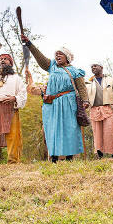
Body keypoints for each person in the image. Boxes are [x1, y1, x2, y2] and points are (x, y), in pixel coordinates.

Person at [21, 34, 89, 162]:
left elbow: (82, 87)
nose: (57, 56)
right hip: (51, 103)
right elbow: (40, 58)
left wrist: (85, 100)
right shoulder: (51, 66)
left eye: (60, 54)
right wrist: (29, 44)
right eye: (56, 54)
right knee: (52, 128)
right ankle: (54, 157)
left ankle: (69, 157)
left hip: (68, 102)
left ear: (67, 57)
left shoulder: (75, 71)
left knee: (70, 128)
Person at [86, 62, 113, 158]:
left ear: (101, 67)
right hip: (95, 109)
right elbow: (84, 96)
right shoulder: (88, 82)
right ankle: (99, 154)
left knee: (110, 131)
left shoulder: (111, 80)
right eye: (92, 66)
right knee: (97, 132)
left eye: (95, 66)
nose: (93, 68)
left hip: (108, 108)